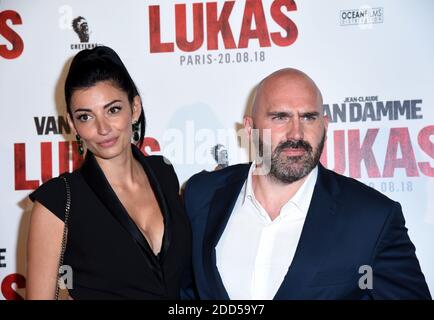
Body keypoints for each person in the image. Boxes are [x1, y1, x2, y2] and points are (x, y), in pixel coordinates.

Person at [183, 68, 431, 299]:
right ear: (250, 129)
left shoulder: (372, 218)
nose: (296, 134)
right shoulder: (201, 195)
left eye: (309, 118)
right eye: (280, 117)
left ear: (324, 126)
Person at [26, 46, 192, 299]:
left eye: (113, 109)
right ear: (72, 124)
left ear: (134, 108)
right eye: (85, 117)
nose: (102, 128)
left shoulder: (163, 172)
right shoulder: (57, 201)